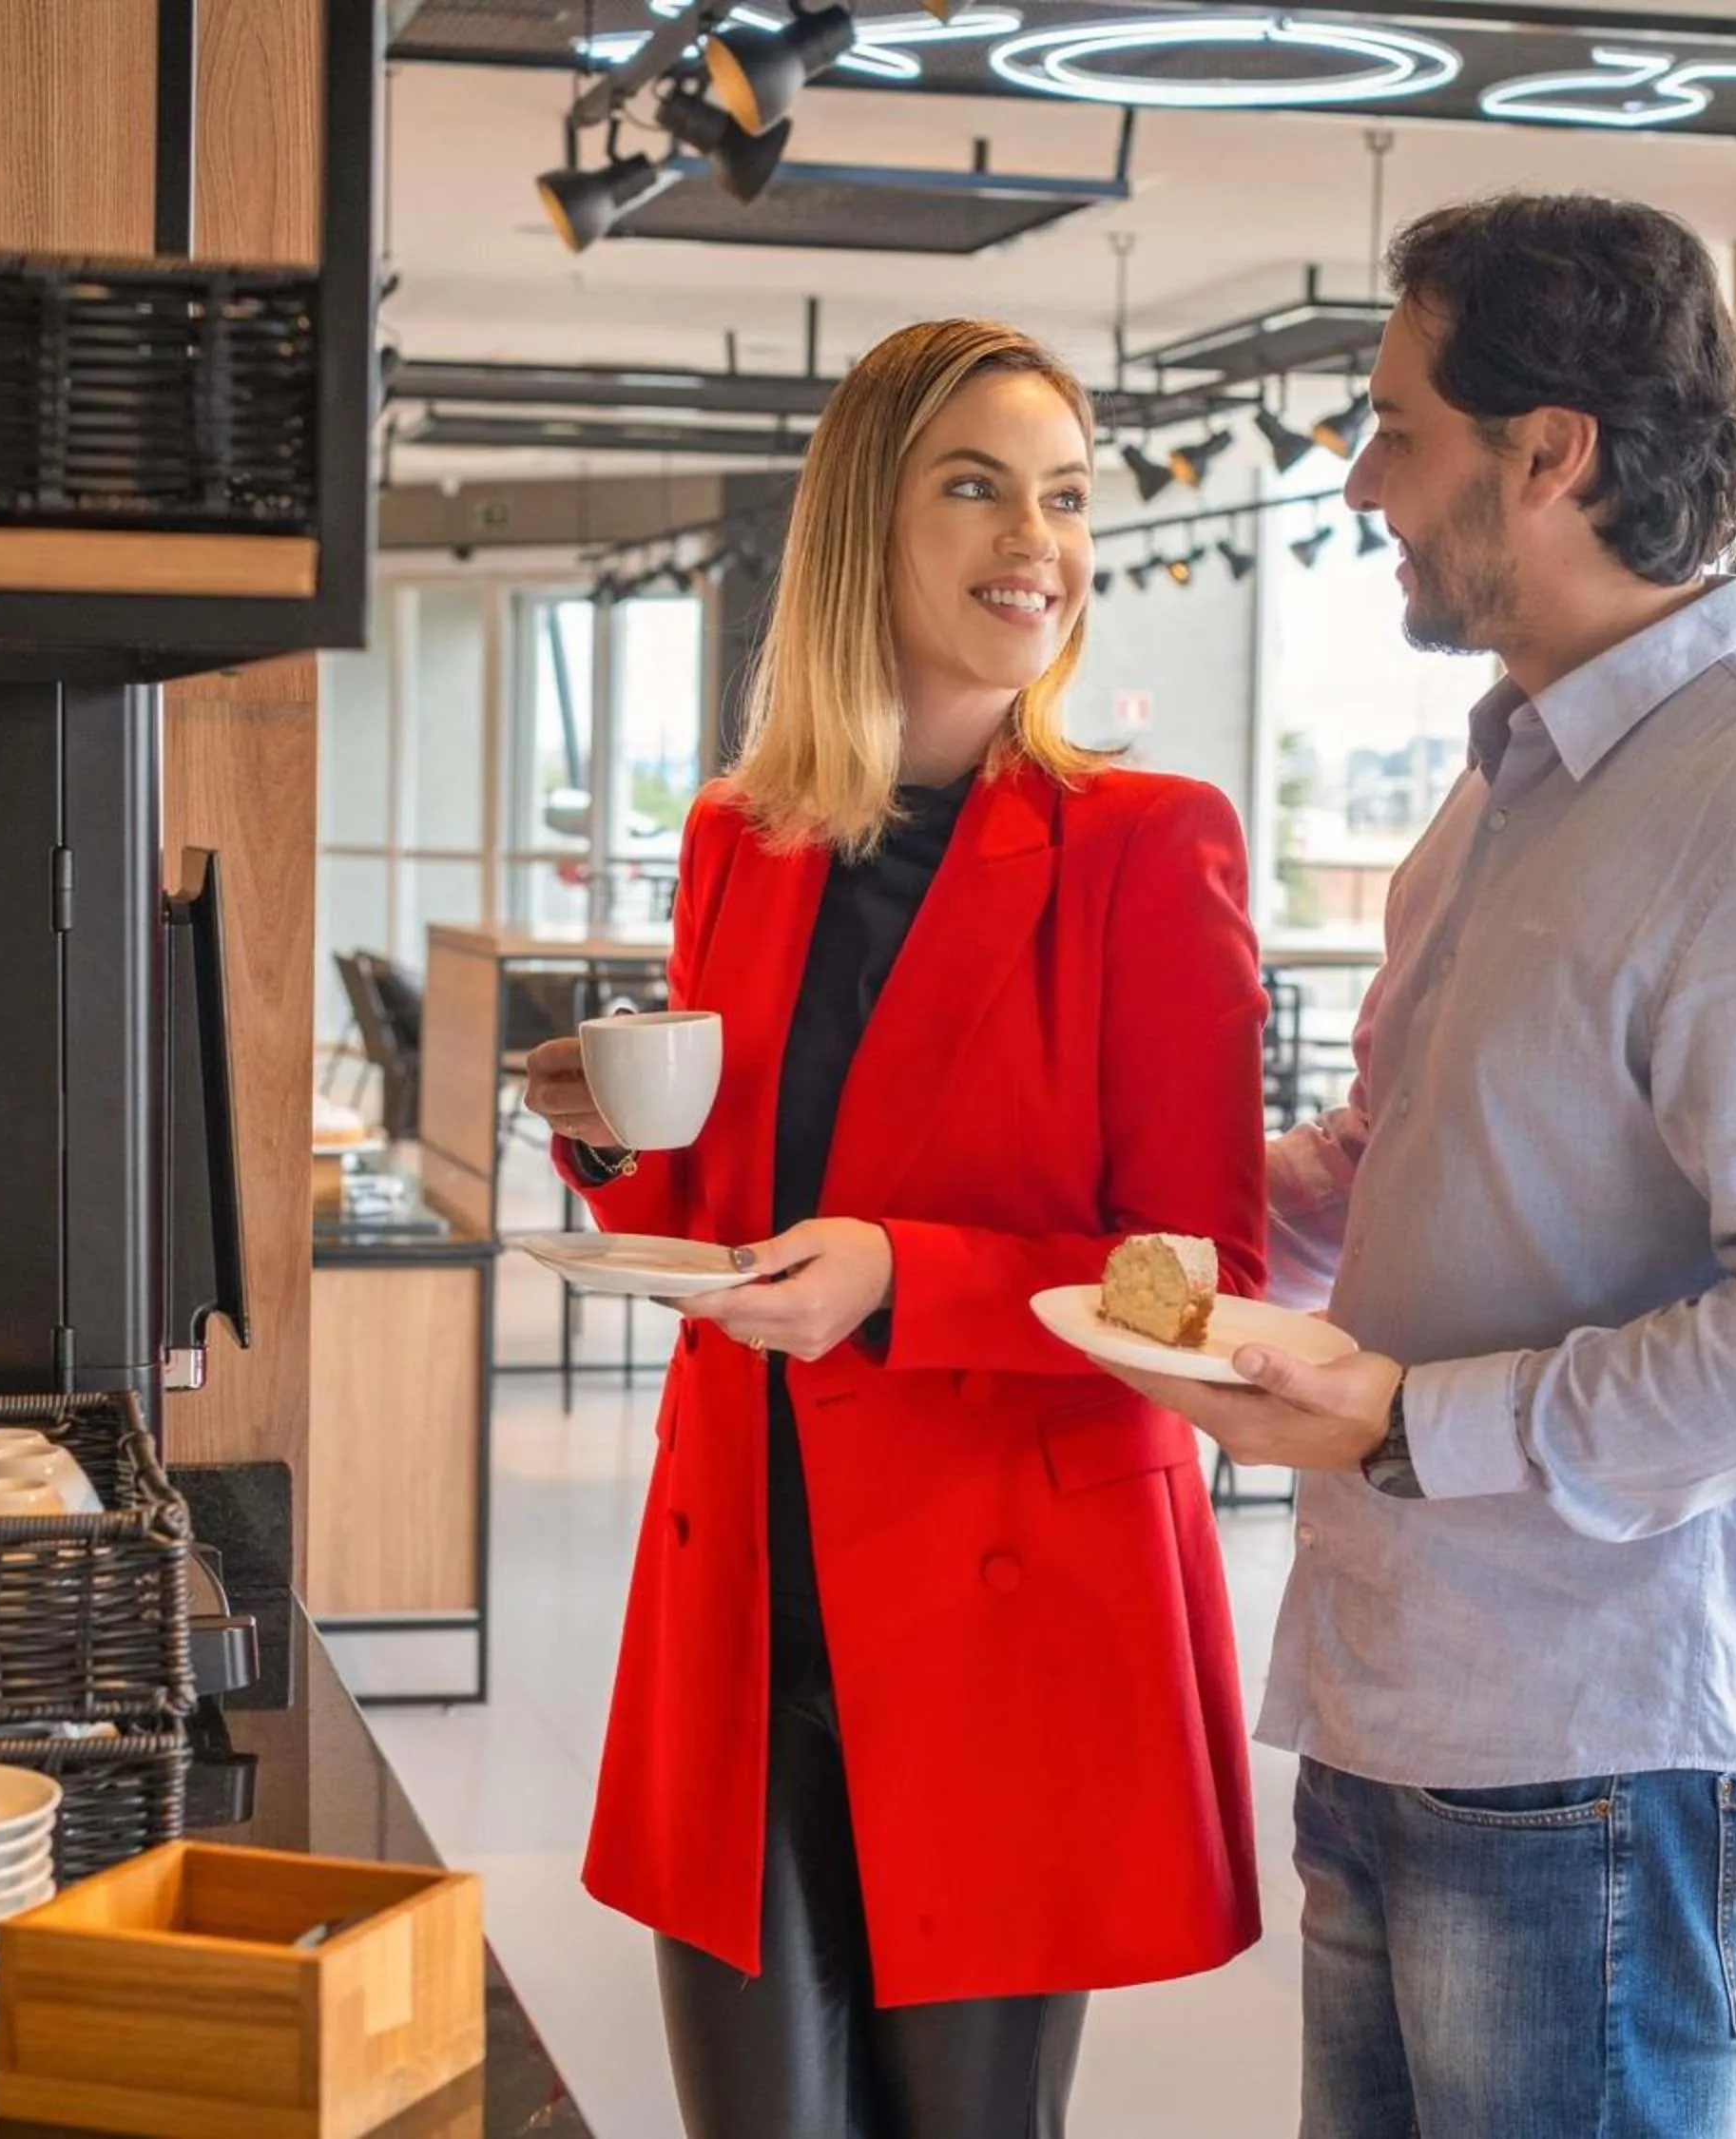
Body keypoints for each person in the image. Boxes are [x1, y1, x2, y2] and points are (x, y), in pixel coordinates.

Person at [1108, 196, 1736, 2136]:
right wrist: (1138, 1225)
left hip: (1606, 1750)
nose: (1360, 482)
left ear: (1551, 451)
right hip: (1399, 1690)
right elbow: (1394, 1166)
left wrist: (1416, 1422)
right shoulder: (1502, 791)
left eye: (1395, 427)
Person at [523, 317, 1266, 2139]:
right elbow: (730, 1223)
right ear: (867, 521)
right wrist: (613, 1145)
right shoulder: (743, 838)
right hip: (746, 1588)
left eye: (1065, 497)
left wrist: (897, 1277)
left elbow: (1203, 1282)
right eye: (978, 487)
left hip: (998, 1608)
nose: (1037, 541)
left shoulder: (1146, 845)